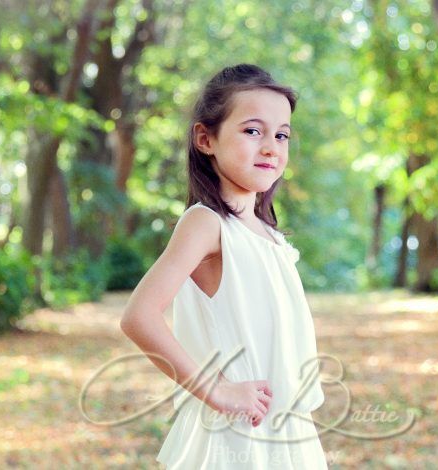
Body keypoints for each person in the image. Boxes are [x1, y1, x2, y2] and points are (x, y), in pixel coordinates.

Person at [120, 64, 328, 469]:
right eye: (253, 131)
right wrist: (217, 391)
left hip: (286, 434)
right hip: (238, 438)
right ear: (206, 138)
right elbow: (138, 316)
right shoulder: (207, 224)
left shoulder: (269, 236)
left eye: (281, 135)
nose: (271, 147)